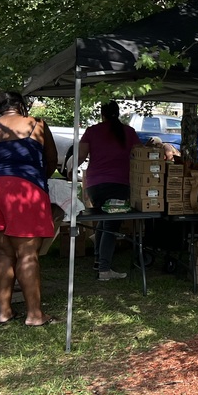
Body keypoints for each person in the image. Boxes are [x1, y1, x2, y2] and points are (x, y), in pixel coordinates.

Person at [0, 91, 58, 326]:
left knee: (4, 252)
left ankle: (4, 312)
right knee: (27, 254)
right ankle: (35, 314)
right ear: (21, 106)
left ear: (0, 107)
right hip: (23, 187)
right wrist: (37, 181)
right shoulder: (36, 124)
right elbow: (52, 159)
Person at [79, 101, 141, 280]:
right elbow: (139, 154)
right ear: (118, 113)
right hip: (119, 184)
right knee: (111, 225)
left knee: (103, 220)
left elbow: (81, 155)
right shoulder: (128, 132)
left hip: (95, 185)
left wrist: (69, 169)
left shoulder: (92, 131)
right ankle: (104, 270)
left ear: (102, 114)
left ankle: (99, 261)